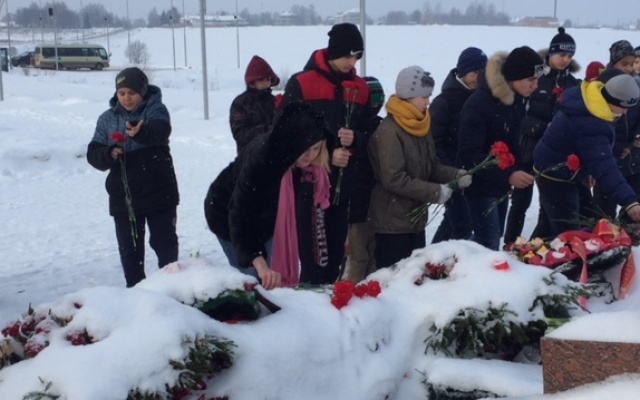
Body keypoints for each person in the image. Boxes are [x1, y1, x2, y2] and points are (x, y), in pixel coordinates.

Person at [205, 101, 334, 289]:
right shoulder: (263, 159)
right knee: (255, 281)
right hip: (226, 214)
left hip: (268, 221)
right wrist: (258, 262)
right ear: (292, 142)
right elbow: (240, 213)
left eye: (316, 148)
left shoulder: (310, 170)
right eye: (305, 148)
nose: (310, 155)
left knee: (274, 278)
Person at [278, 23, 371, 283]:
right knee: (314, 263)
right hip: (308, 189)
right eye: (348, 56)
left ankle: (328, 300)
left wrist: (356, 138)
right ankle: (310, 302)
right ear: (334, 52)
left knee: (335, 262)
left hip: (343, 189)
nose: (352, 63)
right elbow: (284, 134)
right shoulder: (302, 83)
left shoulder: (360, 88)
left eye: (357, 57)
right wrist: (327, 156)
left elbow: (370, 131)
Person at [368, 66, 470, 269]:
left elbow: (430, 166)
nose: (428, 102)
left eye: (428, 96)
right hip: (392, 224)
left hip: (414, 221)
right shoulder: (389, 131)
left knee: (415, 277)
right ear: (408, 96)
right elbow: (393, 178)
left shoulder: (420, 125)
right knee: (394, 278)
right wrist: (434, 192)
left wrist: (455, 175)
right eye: (424, 97)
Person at [87, 67, 179, 287]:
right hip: (124, 198)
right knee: (131, 254)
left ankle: (172, 290)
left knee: (165, 247)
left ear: (143, 92)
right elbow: (93, 152)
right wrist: (108, 153)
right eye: (122, 93)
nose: (127, 98)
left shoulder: (156, 110)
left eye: (132, 93)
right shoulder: (107, 119)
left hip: (159, 193)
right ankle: (136, 296)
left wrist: (141, 132)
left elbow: (160, 131)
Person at [456, 46, 544, 251]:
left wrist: (517, 170)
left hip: (499, 185)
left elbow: (513, 142)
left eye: (537, 79)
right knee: (487, 243)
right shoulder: (480, 103)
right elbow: (469, 154)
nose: (536, 85)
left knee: (493, 237)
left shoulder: (516, 99)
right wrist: (508, 175)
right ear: (514, 77)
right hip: (479, 187)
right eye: (531, 79)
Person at [533, 71, 640, 236]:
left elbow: (588, 150)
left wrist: (586, 169)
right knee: (569, 233)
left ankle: (528, 251)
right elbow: (605, 165)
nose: (625, 112)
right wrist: (630, 202)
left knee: (555, 227)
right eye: (623, 107)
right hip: (557, 176)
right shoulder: (592, 122)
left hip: (564, 171)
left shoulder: (592, 101)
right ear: (610, 99)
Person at [505, 28, 581, 244]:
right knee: (520, 200)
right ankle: (510, 243)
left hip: (555, 154)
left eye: (569, 56)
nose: (565, 60)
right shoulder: (536, 78)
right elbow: (519, 114)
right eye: (561, 54)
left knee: (548, 203)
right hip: (528, 147)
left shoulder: (573, 84)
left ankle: (538, 244)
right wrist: (541, 127)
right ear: (551, 53)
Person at [431, 46, 488, 243]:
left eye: (483, 72)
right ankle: (439, 255)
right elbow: (434, 142)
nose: (478, 77)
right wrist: (451, 172)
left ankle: (435, 254)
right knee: (462, 222)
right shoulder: (444, 102)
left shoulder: (483, 98)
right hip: (451, 172)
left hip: (474, 172)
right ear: (463, 71)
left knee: (455, 222)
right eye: (474, 72)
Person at [342, 76, 385, 282]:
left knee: (373, 255)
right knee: (357, 257)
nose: (375, 108)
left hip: (375, 202)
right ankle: (349, 292)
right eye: (371, 103)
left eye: (378, 103)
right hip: (355, 204)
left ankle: (370, 291)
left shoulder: (380, 127)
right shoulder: (349, 129)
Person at [593, 40, 640, 218]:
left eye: (632, 64)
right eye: (624, 64)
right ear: (613, 63)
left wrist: (637, 135)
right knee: (604, 210)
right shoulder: (602, 86)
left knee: (633, 204)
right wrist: (619, 146)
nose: (629, 68)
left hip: (633, 156)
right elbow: (601, 123)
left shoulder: (636, 85)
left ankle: (627, 231)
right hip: (609, 155)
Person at [229, 55, 280, 154]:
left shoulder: (274, 101)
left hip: (274, 155)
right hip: (250, 156)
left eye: (268, 79)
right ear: (252, 81)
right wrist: (266, 130)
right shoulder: (240, 103)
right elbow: (240, 135)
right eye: (261, 80)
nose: (265, 83)